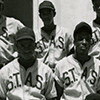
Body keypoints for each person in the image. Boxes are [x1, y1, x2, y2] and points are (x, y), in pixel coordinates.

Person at [0, 27, 57, 100]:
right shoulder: (5, 71)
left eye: (29, 45)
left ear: (35, 46)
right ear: (16, 47)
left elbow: (51, 97)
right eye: (22, 46)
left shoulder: (46, 71)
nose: (26, 50)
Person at [54, 22, 100, 100]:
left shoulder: (97, 65)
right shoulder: (61, 65)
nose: (84, 42)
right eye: (80, 39)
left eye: (87, 39)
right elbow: (58, 95)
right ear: (74, 42)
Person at [35, 0, 73, 71]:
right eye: (43, 14)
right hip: (42, 72)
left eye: (48, 13)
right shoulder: (36, 36)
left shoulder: (65, 33)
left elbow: (72, 55)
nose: (46, 16)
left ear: (54, 14)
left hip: (61, 71)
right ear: (40, 16)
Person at [0, 0, 24, 68]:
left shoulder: (13, 23)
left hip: (8, 66)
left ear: (2, 7)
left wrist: (17, 55)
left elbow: (28, 36)